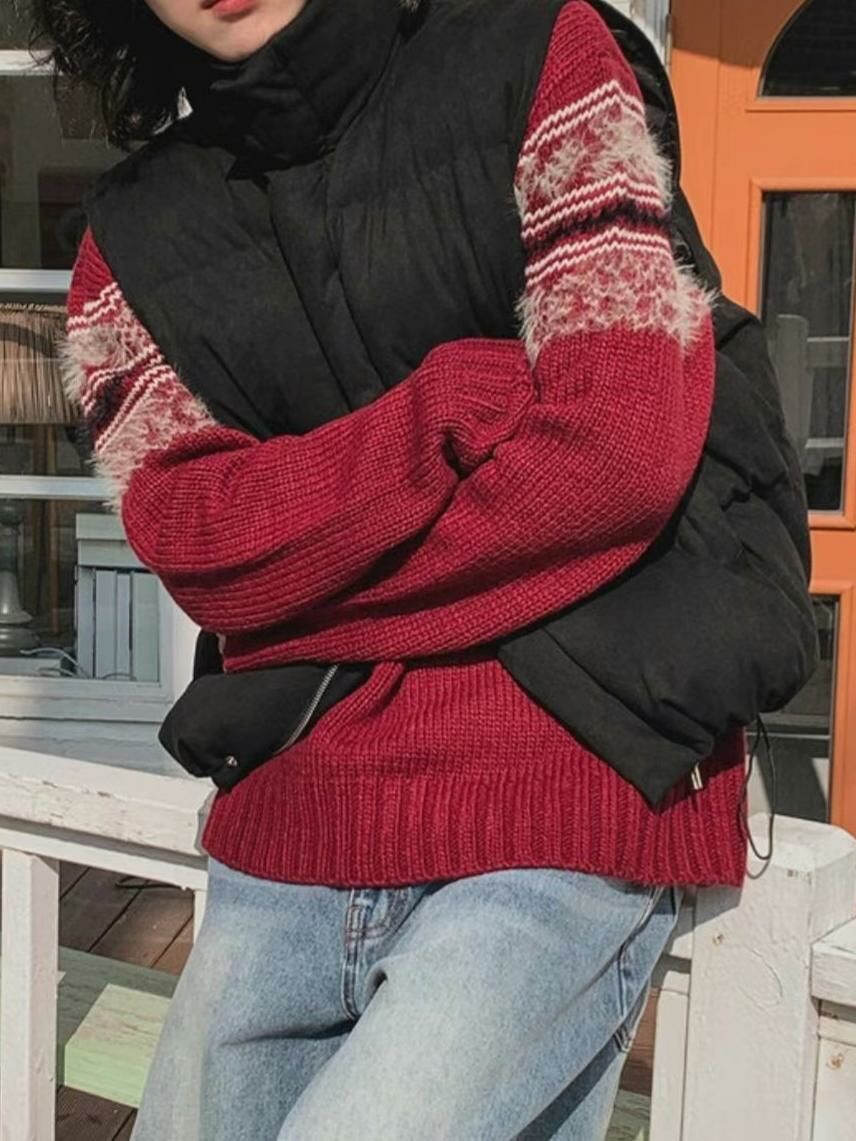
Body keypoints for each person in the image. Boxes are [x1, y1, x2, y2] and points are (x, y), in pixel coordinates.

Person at [32, 0, 813, 1138]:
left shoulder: (546, 55)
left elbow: (618, 454)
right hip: (291, 822)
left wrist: (301, 589)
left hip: (566, 794)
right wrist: (445, 411)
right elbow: (200, 547)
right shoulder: (126, 246)